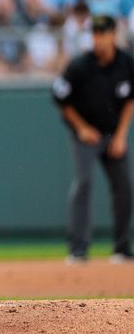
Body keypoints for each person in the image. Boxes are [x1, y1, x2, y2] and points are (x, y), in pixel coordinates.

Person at [52, 14, 134, 264]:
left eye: (102, 34)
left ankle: (121, 247)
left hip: (112, 134)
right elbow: (61, 99)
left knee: (124, 188)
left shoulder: (127, 63)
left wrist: (121, 135)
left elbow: (130, 100)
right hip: (85, 135)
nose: (97, 39)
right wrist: (83, 128)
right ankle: (78, 249)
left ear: (112, 35)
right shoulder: (80, 66)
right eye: (94, 34)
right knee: (84, 183)